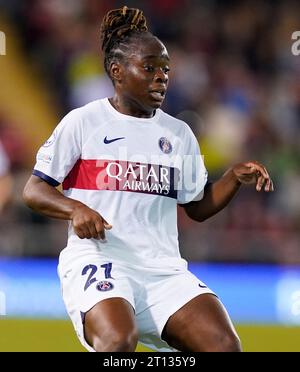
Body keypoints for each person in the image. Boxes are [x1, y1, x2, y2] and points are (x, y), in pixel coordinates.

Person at [23, 6, 273, 352]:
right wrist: (75, 208)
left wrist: (232, 178)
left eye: (166, 69)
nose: (162, 77)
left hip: (162, 270)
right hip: (100, 260)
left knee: (224, 345)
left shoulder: (179, 133)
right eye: (150, 67)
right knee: (117, 342)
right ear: (117, 71)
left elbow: (197, 207)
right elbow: (34, 189)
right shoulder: (84, 122)